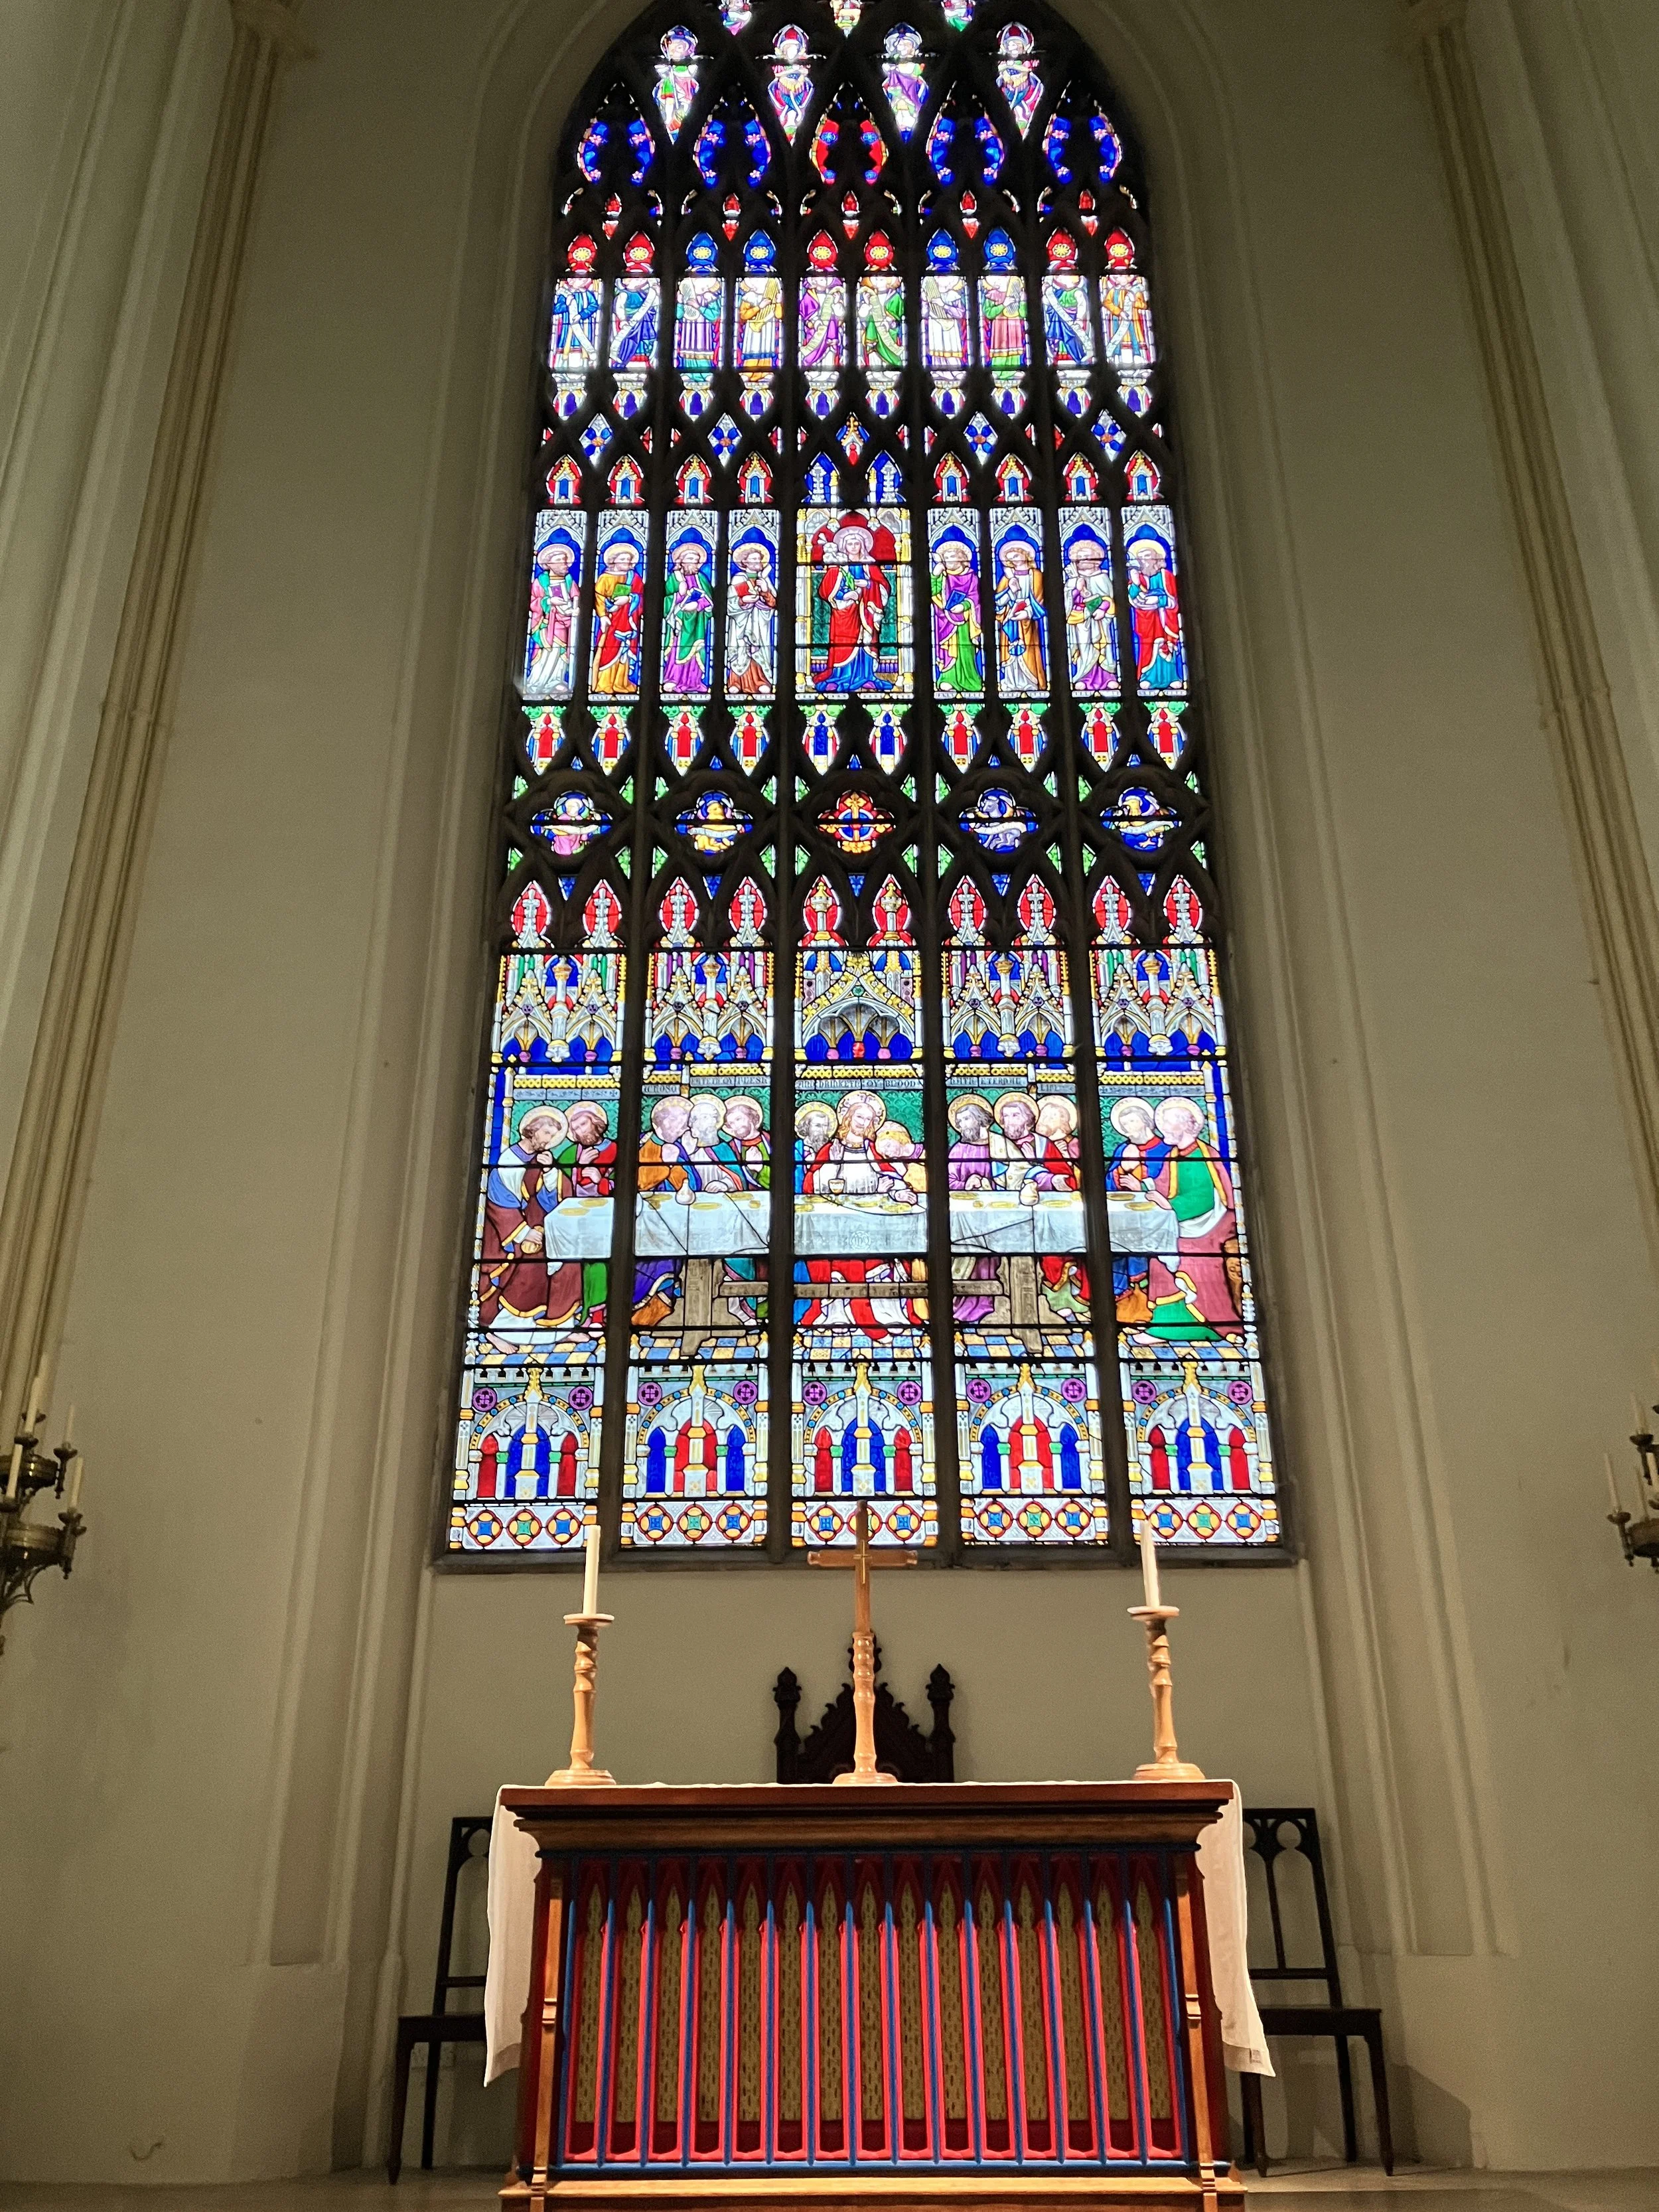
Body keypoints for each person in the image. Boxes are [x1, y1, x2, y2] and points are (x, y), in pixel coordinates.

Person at [1147, 1096, 1239, 1335]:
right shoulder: (1173, 1155)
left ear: (1188, 1125)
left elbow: (1202, 1198)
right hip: (1184, 1223)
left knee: (1179, 1255)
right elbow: (1164, 1185)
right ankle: (1165, 1328)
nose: (1162, 1128)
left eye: (1168, 1123)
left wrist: (1166, 1203)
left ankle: (1207, 1327)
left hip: (1210, 1224)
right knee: (1158, 1253)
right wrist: (1145, 1187)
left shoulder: (1203, 1155)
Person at [816, 519, 891, 692]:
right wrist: (844, 595)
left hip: (866, 611)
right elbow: (825, 590)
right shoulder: (837, 564)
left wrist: (868, 585)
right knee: (844, 643)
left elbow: (884, 586)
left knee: (865, 643)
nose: (853, 546)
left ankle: (866, 677)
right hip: (844, 612)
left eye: (857, 542)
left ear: (863, 545)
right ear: (844, 545)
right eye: (849, 543)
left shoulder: (869, 564)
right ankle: (841, 676)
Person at [1127, 536, 1186, 690]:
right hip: (1146, 621)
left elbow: (1174, 599)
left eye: (1147, 556)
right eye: (1140, 557)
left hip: (1164, 619)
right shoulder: (1138, 577)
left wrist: (1159, 601)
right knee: (1147, 647)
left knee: (1167, 646)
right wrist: (1135, 583)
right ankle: (1147, 676)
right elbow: (1133, 598)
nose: (1143, 560)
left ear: (1157, 558)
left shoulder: (1167, 577)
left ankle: (1171, 677)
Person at [1064, 534, 1119, 694]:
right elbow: (1067, 600)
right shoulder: (1072, 580)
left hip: (1100, 621)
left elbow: (1109, 598)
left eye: (1087, 557)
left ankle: (1108, 677)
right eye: (1079, 558)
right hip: (1080, 619)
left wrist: (1102, 609)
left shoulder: (1102, 577)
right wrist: (1075, 588)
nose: (1083, 560)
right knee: (1084, 649)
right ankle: (1083, 676)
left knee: (1103, 646)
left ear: (1097, 560)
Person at [591, 538, 644, 695]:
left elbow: (641, 597)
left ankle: (622, 683)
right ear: (613, 561)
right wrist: (603, 616)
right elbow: (599, 598)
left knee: (624, 652)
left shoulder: (635, 578)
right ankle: (604, 684)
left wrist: (629, 599)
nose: (627, 562)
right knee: (608, 650)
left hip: (628, 620)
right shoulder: (605, 578)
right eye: (623, 559)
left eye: (629, 560)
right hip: (611, 620)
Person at [932, 536, 983, 694]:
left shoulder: (972, 576)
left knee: (965, 651)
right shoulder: (943, 576)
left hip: (966, 621)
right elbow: (933, 592)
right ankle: (948, 678)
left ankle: (970, 680)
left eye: (952, 557)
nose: (949, 561)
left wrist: (964, 605)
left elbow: (975, 596)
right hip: (945, 621)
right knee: (948, 652)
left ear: (962, 559)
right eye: (946, 558)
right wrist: (935, 575)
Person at [661, 538, 713, 696]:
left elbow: (710, 600)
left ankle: (694, 682)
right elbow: (664, 600)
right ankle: (673, 679)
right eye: (690, 559)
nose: (694, 563)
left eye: (697, 561)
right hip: (679, 622)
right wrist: (679, 596)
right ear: (681, 561)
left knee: (696, 651)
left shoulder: (702, 579)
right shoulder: (674, 578)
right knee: (676, 650)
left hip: (697, 623)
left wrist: (698, 605)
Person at [994, 538, 1047, 693]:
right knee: (1011, 654)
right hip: (1010, 620)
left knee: (1029, 651)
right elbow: (998, 602)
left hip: (1027, 622)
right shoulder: (1007, 578)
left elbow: (1040, 599)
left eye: (1015, 556)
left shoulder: (1036, 576)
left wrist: (1028, 612)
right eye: (1010, 559)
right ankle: (1012, 683)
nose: (1013, 561)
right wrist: (1011, 590)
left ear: (1026, 555)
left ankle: (1031, 682)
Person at [526, 542, 577, 697]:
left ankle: (555, 681)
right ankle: (537, 683)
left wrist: (576, 608)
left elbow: (577, 597)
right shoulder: (540, 581)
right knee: (546, 654)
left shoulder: (569, 581)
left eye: (566, 560)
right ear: (549, 563)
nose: (566, 564)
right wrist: (548, 602)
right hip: (547, 625)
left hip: (564, 624)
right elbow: (534, 601)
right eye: (561, 561)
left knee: (560, 654)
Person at [725, 540, 776, 697]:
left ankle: (761, 681)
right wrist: (743, 601)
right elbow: (729, 604)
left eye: (759, 559)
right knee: (741, 650)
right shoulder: (738, 579)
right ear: (744, 562)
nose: (758, 562)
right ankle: (736, 682)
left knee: (759, 650)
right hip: (741, 622)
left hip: (760, 623)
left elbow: (774, 603)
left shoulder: (764, 579)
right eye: (754, 559)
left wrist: (766, 591)